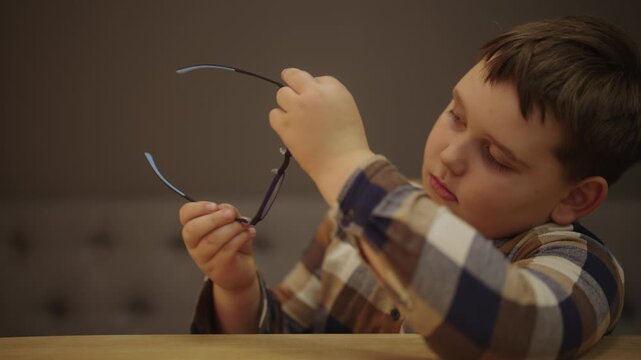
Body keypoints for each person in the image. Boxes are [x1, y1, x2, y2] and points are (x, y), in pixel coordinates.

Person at [179, 16, 640, 359]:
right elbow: (286, 340)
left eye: (497, 158)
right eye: (455, 116)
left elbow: (508, 330)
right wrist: (237, 291)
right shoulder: (359, 217)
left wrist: (343, 163)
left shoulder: (584, 268)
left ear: (575, 197)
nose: (450, 156)